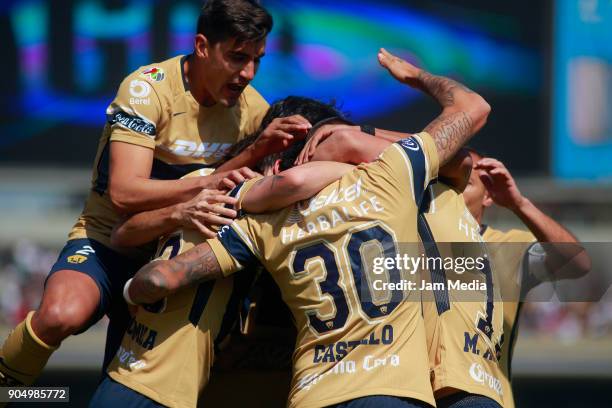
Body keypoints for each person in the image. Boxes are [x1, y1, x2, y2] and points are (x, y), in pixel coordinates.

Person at [119, 48, 490, 408]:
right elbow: (468, 138)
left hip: (312, 392)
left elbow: (157, 273)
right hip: (418, 386)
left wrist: (130, 294)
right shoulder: (390, 178)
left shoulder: (255, 214)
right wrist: (407, 86)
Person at [0, 0, 303, 388]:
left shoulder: (253, 110)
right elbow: (125, 194)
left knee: (139, 380)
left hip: (173, 256)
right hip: (106, 241)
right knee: (61, 316)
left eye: (257, 60)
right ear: (202, 46)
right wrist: (211, 178)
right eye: (237, 57)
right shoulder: (147, 89)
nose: (247, 73)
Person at [90, 97, 355, 408]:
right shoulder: (264, 216)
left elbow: (122, 236)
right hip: (161, 389)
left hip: (133, 375)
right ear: (284, 161)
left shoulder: (204, 184)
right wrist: (177, 215)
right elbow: (132, 248)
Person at [462, 149, 591, 408]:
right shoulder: (415, 243)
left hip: (487, 399)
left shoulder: (507, 246)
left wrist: (519, 204)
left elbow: (578, 263)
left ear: (487, 195)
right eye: (444, 182)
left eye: (464, 183)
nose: (450, 192)